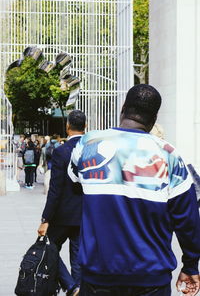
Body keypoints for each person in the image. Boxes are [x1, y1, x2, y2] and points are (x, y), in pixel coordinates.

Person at [68, 84, 200, 296]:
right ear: (154, 117)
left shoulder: (87, 143)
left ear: (123, 107)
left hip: (98, 275)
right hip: (151, 278)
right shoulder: (170, 156)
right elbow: (188, 219)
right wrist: (191, 265)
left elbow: (75, 183)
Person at [38, 110, 86, 296]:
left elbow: (55, 189)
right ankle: (78, 288)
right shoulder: (91, 152)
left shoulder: (61, 152)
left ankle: (70, 286)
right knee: (77, 258)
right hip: (83, 215)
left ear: (67, 127)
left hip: (62, 215)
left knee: (49, 248)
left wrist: (45, 218)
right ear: (86, 127)